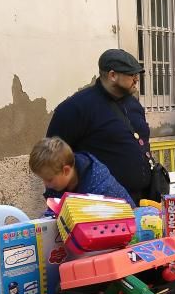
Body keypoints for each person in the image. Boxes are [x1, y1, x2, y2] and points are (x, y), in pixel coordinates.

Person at [46, 49, 152, 203]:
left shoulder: (133, 104)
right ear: (113, 75)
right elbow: (53, 158)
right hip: (101, 204)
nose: (137, 79)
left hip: (142, 198)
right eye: (131, 74)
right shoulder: (76, 108)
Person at [29, 136, 133, 204]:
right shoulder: (55, 187)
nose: (46, 184)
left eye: (49, 179)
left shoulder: (99, 186)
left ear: (66, 170)